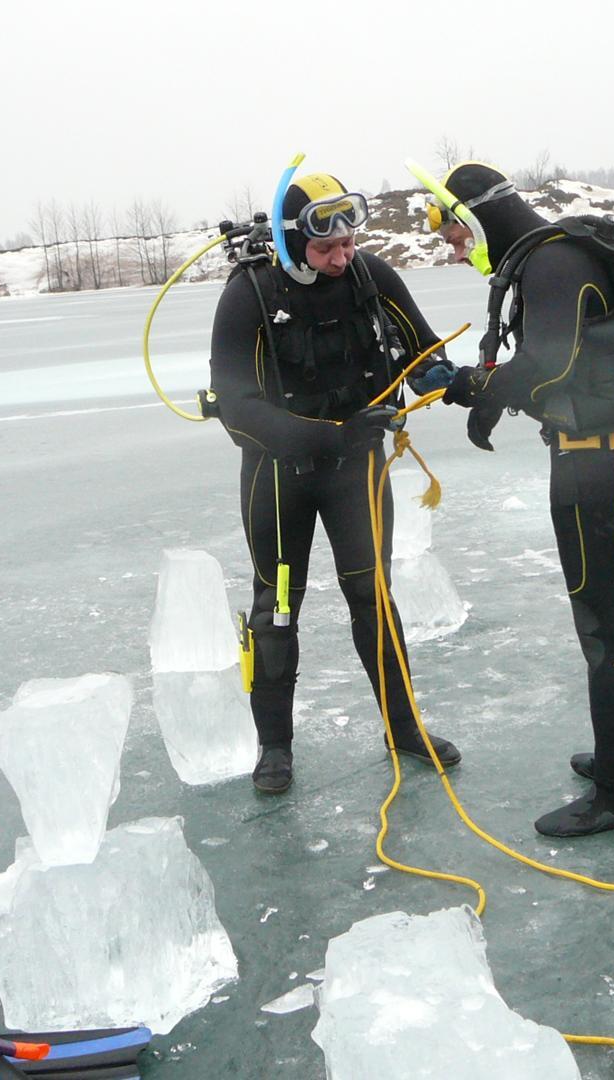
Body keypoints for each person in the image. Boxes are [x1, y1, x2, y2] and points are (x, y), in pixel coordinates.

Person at [425, 162, 614, 837]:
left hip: (598, 465)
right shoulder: (561, 253)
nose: (453, 248)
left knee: (605, 626)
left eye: (452, 234)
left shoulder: (552, 263)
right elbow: (564, 362)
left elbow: (547, 363)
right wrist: (489, 398)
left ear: (474, 217)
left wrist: (470, 387)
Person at [208, 170, 460, 794]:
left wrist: (440, 375)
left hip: (357, 472)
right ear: (293, 242)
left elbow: (422, 348)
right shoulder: (249, 295)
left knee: (374, 596)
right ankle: (274, 746)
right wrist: (334, 436)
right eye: (326, 249)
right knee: (277, 608)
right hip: (278, 475)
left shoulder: (371, 276)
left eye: (348, 244)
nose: (343, 258)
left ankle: (404, 727)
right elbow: (238, 411)